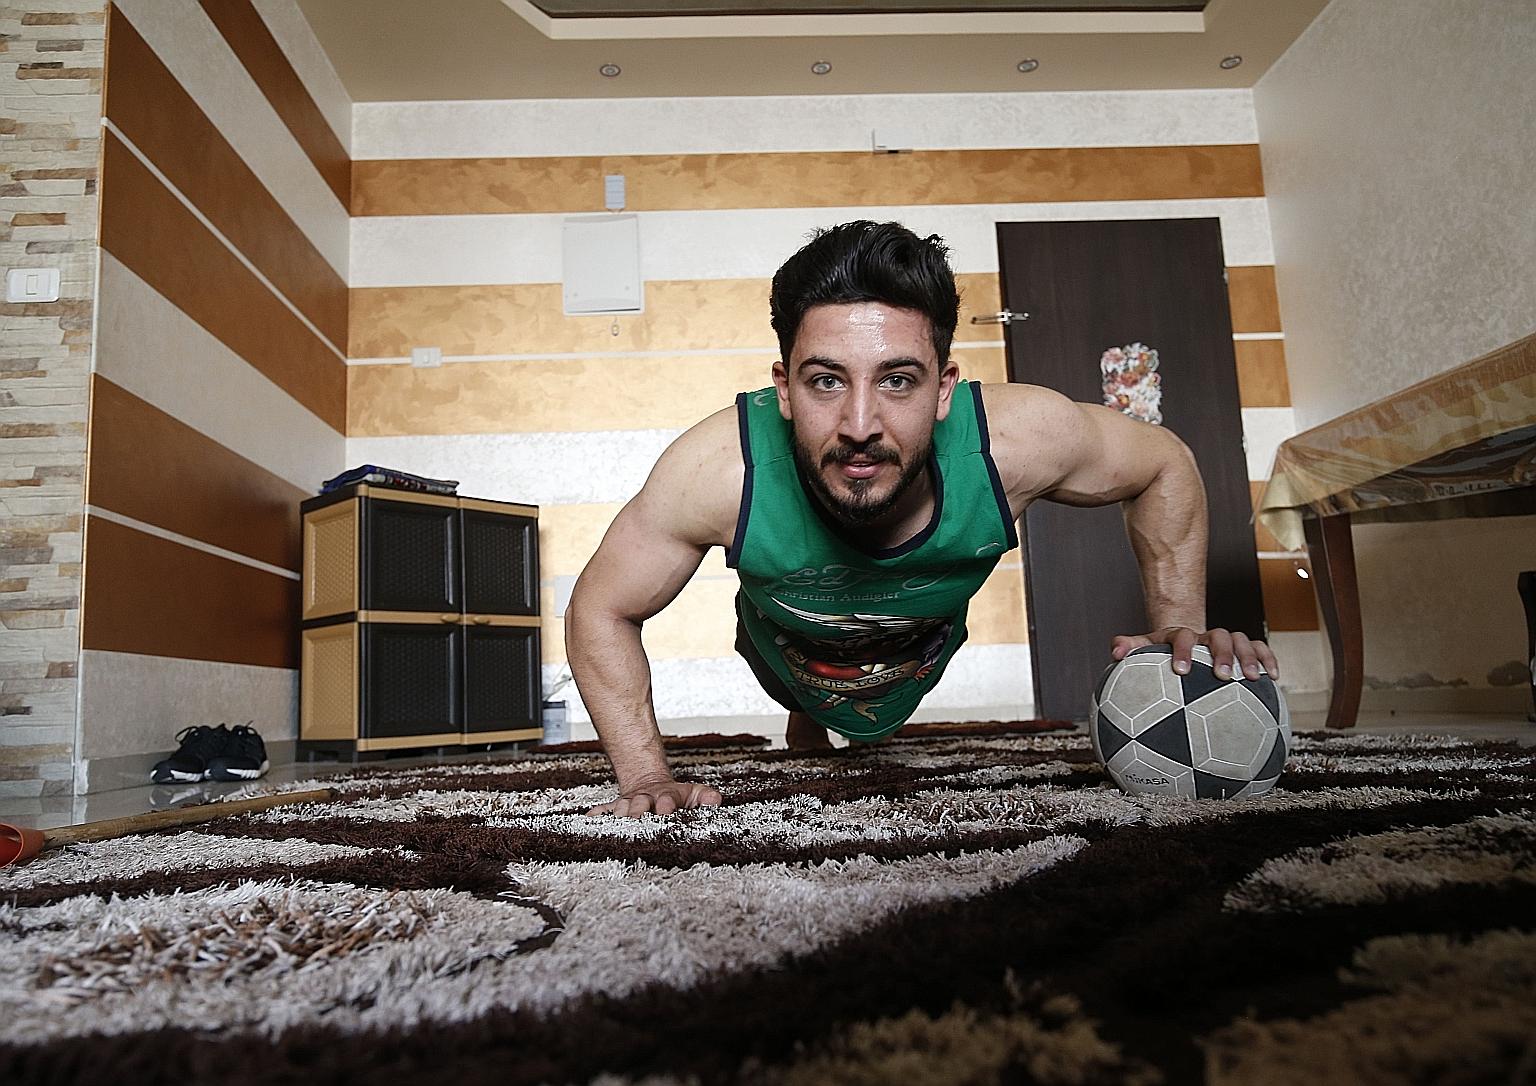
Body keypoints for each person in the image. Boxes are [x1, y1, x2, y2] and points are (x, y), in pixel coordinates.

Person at [566, 220, 1280, 817]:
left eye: (899, 380)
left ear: (945, 389)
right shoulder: (718, 470)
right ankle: (805, 709)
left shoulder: (1020, 439)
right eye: (825, 380)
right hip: (783, 642)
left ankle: (840, 702)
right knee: (789, 677)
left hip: (920, 645)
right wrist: (645, 778)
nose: (859, 424)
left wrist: (1178, 620)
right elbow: (601, 607)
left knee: (883, 710)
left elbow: (1163, 460)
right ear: (782, 388)